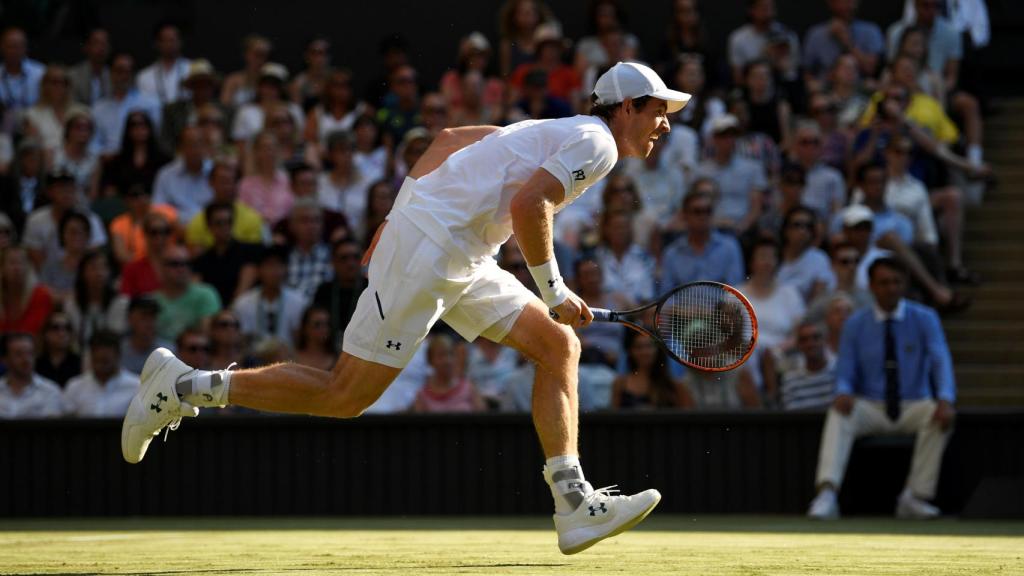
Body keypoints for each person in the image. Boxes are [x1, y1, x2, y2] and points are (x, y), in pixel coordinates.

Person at [123, 61, 690, 555]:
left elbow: (444, 139)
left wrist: (395, 218)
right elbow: (529, 204)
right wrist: (556, 291)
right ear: (629, 107)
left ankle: (573, 505)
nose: (665, 124)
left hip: (456, 250)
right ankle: (183, 386)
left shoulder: (539, 132)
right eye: (659, 110)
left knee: (556, 343)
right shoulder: (599, 142)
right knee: (344, 395)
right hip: (434, 251)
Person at [807, 257, 955, 520]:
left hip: (914, 403)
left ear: (905, 285)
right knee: (839, 413)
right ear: (872, 287)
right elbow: (846, 369)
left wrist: (945, 397)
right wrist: (843, 391)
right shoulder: (855, 323)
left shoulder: (925, 318)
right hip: (871, 405)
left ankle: (915, 497)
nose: (891, 288)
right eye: (884, 282)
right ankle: (827, 494)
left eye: (897, 282)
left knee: (938, 415)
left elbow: (940, 360)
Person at [695, 114, 767, 236]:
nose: (728, 140)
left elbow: (756, 207)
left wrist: (742, 227)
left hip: (742, 228)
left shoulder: (752, 168)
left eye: (732, 135)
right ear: (714, 139)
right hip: (709, 228)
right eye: (723, 135)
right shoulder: (701, 171)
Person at [660, 188, 745, 288]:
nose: (703, 216)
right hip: (681, 304)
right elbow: (666, 296)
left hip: (720, 304)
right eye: (697, 211)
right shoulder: (672, 253)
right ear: (685, 216)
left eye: (708, 211)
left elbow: (736, 292)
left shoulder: (730, 248)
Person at [22, 170, 106, 269]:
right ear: (49, 191)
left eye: (70, 187)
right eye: (61, 187)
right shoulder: (35, 220)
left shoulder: (92, 219)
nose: (67, 192)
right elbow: (37, 260)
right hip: (47, 277)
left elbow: (93, 257)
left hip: (82, 277)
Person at [231, 245, 307, 348]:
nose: (275, 271)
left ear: (286, 269)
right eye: (269, 265)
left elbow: (300, 341)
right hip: (253, 360)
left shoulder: (299, 302)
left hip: (289, 359)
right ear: (259, 270)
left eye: (279, 265)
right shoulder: (243, 304)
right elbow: (242, 341)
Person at [184, 158, 266, 251]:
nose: (226, 186)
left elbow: (254, 256)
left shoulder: (253, 219)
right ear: (211, 182)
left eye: (230, 181)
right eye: (222, 181)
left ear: (236, 184)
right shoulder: (197, 222)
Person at [91, 53, 162, 157]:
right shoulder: (98, 108)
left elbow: (156, 139)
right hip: (107, 162)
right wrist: (103, 155)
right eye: (119, 71)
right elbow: (94, 142)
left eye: (127, 71)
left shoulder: (150, 104)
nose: (123, 76)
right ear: (110, 73)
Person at [191, 202, 261, 305]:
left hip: (240, 310)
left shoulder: (249, 252)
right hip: (211, 313)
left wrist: (228, 312)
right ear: (209, 226)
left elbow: (243, 290)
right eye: (219, 223)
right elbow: (196, 293)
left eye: (228, 222)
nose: (224, 227)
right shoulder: (202, 260)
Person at [802, 0, 884, 85]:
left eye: (853, 1)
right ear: (831, 3)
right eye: (845, 1)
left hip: (859, 91)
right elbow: (806, 72)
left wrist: (846, 41)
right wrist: (814, 87)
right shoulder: (816, 34)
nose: (850, 5)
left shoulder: (871, 31)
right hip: (825, 90)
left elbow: (870, 69)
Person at [153, 243, 222, 342]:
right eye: (174, 264)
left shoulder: (205, 295)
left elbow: (207, 336)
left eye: (186, 263)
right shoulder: (151, 301)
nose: (181, 268)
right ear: (161, 268)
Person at [64, 249, 129, 352]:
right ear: (82, 272)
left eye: (104, 267)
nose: (100, 273)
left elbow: (115, 337)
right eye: (93, 267)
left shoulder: (121, 303)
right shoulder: (72, 304)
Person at [63, 330, 140, 417]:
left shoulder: (137, 387)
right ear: (91, 356)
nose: (102, 365)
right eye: (97, 360)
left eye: (105, 361)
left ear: (118, 355)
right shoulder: (74, 387)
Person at [99, 110, 171, 200]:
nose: (139, 130)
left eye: (143, 125)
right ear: (128, 130)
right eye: (134, 126)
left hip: (155, 207)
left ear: (149, 128)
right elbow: (109, 190)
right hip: (124, 207)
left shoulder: (164, 160)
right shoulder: (116, 162)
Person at [610, 331, 692, 409]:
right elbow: (614, 417)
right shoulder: (620, 384)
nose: (644, 352)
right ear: (631, 351)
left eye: (649, 346)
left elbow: (688, 415)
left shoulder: (675, 385)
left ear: (658, 350)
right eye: (638, 347)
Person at [160, 59, 227, 155]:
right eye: (198, 84)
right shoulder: (173, 111)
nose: (202, 88)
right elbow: (165, 142)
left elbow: (229, 141)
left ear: (213, 86)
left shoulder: (225, 111)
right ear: (191, 87)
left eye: (206, 84)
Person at [22, 65, 89, 159]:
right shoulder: (32, 114)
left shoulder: (82, 111)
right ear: (44, 85)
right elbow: (34, 147)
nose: (59, 86)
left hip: (78, 162)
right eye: (54, 82)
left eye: (64, 82)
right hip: (47, 164)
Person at [727, 0, 800, 86]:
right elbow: (737, 77)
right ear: (751, 10)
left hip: (783, 87)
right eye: (763, 8)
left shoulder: (787, 35)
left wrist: (781, 64)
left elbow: (794, 73)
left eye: (770, 7)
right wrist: (764, 57)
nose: (768, 12)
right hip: (751, 90)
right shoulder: (738, 38)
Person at [312, 239, 366, 351]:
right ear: (333, 262)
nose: (350, 263)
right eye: (344, 258)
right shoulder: (324, 291)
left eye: (355, 257)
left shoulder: (372, 289)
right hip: (328, 351)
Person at [152, 126, 213, 223]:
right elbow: (158, 208)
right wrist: (176, 227)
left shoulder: (216, 172)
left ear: (206, 146)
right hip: (174, 229)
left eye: (199, 144)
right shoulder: (166, 174)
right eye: (190, 144)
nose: (195, 149)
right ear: (181, 148)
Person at [593, 210, 654, 307]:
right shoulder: (596, 257)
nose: (621, 231)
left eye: (624, 227)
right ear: (606, 229)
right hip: (605, 316)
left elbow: (648, 296)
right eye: (616, 227)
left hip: (639, 315)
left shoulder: (643, 257)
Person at [789, 120, 846, 223]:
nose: (810, 147)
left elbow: (837, 212)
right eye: (805, 142)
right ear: (795, 145)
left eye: (815, 142)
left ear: (822, 145)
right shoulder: (786, 174)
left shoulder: (834, 176)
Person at [412, 334, 486, 413]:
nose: (447, 360)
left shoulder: (468, 388)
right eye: (441, 356)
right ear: (430, 360)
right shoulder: (423, 395)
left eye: (451, 354)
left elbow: (484, 418)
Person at [777, 206, 835, 303]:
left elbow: (817, 299)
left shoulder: (819, 259)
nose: (802, 231)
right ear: (786, 229)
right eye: (797, 225)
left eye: (807, 226)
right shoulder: (774, 255)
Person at [109, 185, 178, 266]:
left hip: (169, 263)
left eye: (145, 193)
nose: (141, 198)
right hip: (138, 267)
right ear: (126, 200)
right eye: (135, 195)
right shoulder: (118, 223)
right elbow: (121, 255)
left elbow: (184, 239)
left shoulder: (167, 212)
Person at [778, 319, 836, 411]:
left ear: (825, 340)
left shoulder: (840, 373)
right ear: (798, 345)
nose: (811, 343)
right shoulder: (790, 380)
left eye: (816, 337)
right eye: (804, 340)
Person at [0, 333, 62, 418]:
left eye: (30, 353)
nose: (26, 359)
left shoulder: (50, 391)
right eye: (19, 354)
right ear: (5, 359)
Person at [238, 131, 292, 226]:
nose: (269, 152)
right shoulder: (246, 184)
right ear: (256, 152)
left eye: (272, 147)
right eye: (264, 148)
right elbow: (242, 215)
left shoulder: (287, 180)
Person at [0, 245, 54, 334]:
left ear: (29, 267)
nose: (16, 267)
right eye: (12, 262)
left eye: (21, 262)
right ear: (2, 267)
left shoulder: (42, 296)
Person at [285, 199, 332, 300]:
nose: (311, 226)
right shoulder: (283, 258)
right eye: (304, 220)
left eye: (316, 220)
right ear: (292, 225)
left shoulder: (334, 256)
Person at [38, 210, 91, 299]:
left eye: (82, 232)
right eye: (72, 232)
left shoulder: (94, 266)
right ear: (62, 235)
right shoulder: (50, 266)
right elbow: (44, 292)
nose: (78, 236)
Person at [119, 212, 174, 297]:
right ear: (144, 234)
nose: (160, 237)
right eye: (154, 232)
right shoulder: (132, 269)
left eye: (165, 231)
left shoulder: (180, 265)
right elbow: (125, 301)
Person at [136, 23, 190, 105]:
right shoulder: (144, 76)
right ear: (157, 44)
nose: (169, 44)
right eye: (165, 40)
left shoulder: (191, 69)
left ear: (180, 42)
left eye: (172, 40)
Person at [0, 28, 45, 119]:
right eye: (10, 46)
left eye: (17, 47)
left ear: (25, 48)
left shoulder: (40, 72)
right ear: (2, 47)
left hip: (36, 121)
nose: (14, 51)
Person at [121, 296, 172, 375]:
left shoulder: (169, 352)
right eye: (144, 316)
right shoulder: (118, 351)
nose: (149, 321)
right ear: (130, 319)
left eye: (153, 316)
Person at [221, 35, 272, 107]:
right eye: (257, 54)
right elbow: (224, 106)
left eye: (265, 55)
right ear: (246, 54)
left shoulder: (272, 82)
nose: (261, 59)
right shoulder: (233, 80)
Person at [35, 310, 82, 388]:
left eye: (67, 328)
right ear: (45, 333)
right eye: (55, 328)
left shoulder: (80, 364)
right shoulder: (36, 364)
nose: (62, 333)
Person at [68, 28, 111, 106]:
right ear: (87, 47)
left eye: (104, 44)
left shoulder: (112, 75)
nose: (101, 48)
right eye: (96, 43)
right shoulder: (73, 75)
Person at [290, 36, 333, 108]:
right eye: (314, 53)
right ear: (306, 56)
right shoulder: (298, 84)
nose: (319, 58)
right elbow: (297, 112)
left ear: (329, 57)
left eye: (322, 53)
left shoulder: (337, 80)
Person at [293, 306, 337, 371]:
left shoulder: (338, 359)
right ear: (305, 328)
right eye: (317, 325)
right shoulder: (292, 358)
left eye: (327, 324)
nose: (324, 329)